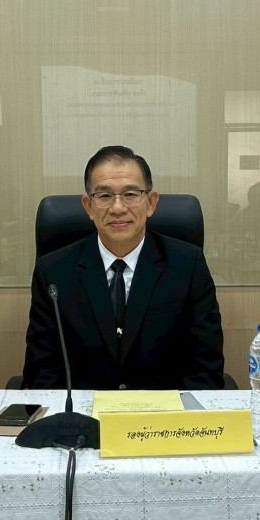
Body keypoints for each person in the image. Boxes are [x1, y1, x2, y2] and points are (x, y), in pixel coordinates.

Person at [23, 145, 225, 390]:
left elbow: (205, 368)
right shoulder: (53, 271)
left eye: (130, 194)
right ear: (88, 206)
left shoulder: (188, 265)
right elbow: (42, 372)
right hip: (82, 412)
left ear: (151, 203)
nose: (117, 208)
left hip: (164, 411)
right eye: (104, 196)